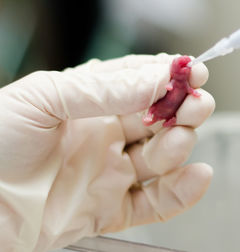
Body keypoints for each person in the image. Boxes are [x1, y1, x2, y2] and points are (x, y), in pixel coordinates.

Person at [0, 53, 215, 251]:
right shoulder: (167, 85)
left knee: (173, 139)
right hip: (158, 112)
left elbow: (189, 91)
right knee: (168, 136)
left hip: (163, 115)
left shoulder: (177, 86)